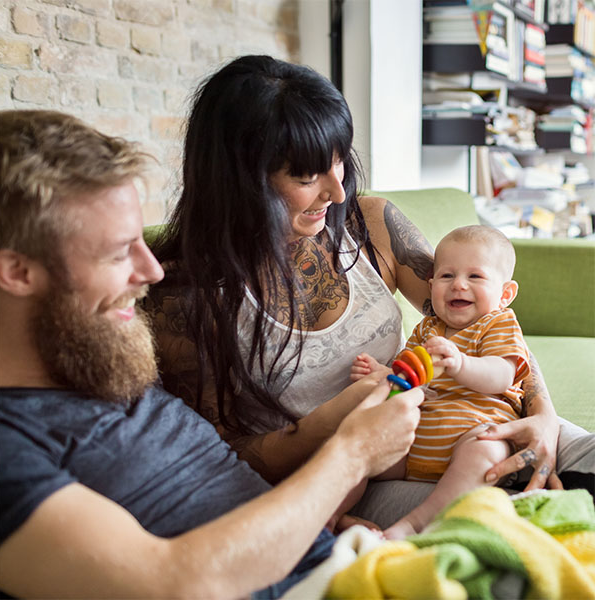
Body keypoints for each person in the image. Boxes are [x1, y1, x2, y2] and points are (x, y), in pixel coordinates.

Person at [145, 54, 593, 531]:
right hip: (356, 476)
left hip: (459, 420)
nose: (338, 193)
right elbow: (219, 458)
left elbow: (487, 321)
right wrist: (339, 429)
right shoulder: (184, 299)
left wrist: (543, 414)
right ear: (241, 180)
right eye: (306, 175)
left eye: (338, 161)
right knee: (526, 521)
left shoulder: (370, 224)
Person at [0, 109, 426, 599]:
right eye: (118, 253)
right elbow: (174, 584)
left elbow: (222, 495)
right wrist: (352, 455)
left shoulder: (99, 357)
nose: (151, 271)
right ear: (16, 272)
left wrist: (320, 516)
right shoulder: (9, 443)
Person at [350, 225, 532, 538]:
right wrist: (383, 374)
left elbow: (501, 375)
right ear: (432, 284)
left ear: (505, 294)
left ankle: (412, 526)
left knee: (485, 452)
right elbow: (406, 378)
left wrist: (461, 364)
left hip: (473, 434)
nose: (458, 285)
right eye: (447, 276)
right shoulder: (426, 329)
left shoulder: (497, 323)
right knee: (361, 445)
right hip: (414, 444)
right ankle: (333, 515)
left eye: (475, 277)